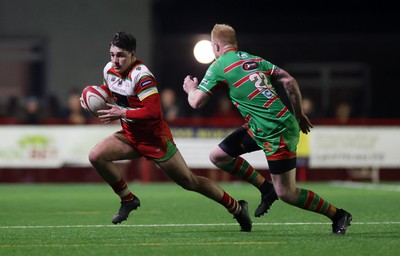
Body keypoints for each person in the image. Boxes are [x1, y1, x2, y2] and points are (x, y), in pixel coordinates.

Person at [182, 24, 352, 235]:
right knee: (219, 156)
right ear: (236, 44)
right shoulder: (255, 60)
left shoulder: (220, 65)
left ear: (215, 45)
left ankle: (338, 215)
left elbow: (196, 103)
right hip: (262, 126)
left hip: (276, 131)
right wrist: (298, 114)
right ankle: (265, 188)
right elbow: (288, 80)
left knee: (287, 193)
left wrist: (191, 89)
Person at [81, 31, 252, 232]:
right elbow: (111, 89)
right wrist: (93, 98)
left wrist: (122, 112)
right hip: (130, 136)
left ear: (132, 54)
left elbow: (154, 112)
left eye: (120, 55)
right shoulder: (109, 70)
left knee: (190, 182)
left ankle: (237, 207)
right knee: (96, 156)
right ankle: (128, 199)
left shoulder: (142, 76)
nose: (115, 60)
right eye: (112, 54)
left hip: (155, 140)